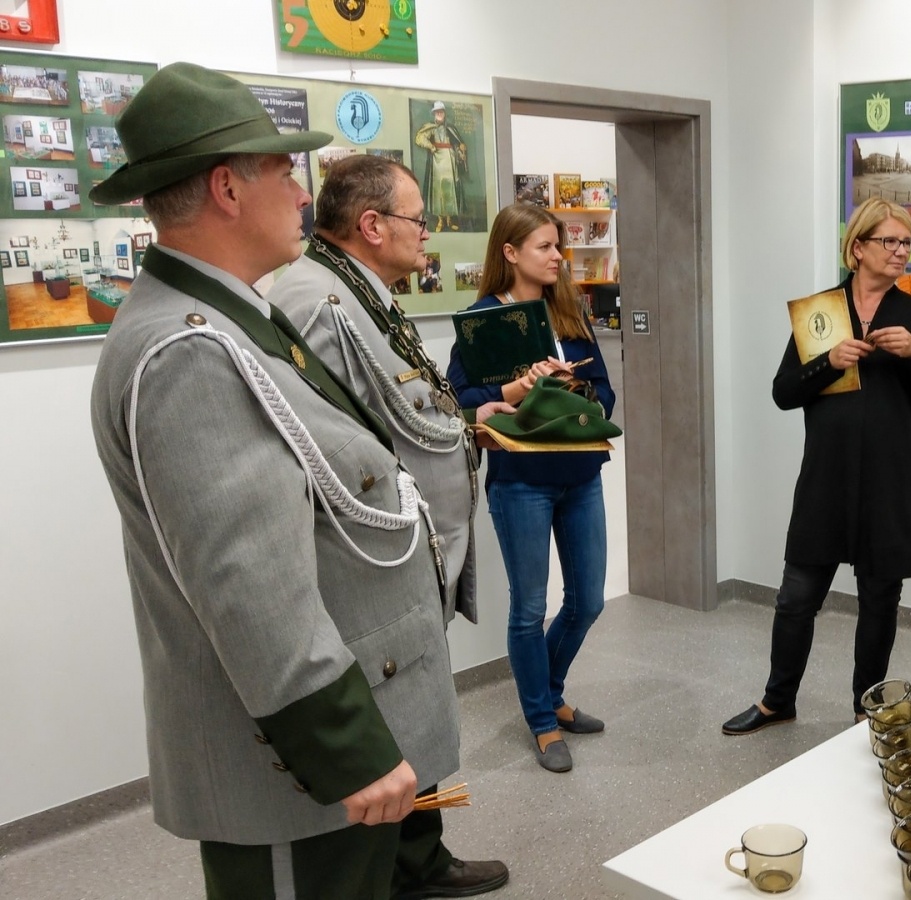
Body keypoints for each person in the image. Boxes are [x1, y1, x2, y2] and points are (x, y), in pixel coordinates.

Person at [87, 63, 461, 898]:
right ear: (226, 187)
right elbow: (247, 584)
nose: (299, 194)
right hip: (292, 776)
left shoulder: (229, 317)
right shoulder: (190, 351)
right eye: (281, 169)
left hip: (308, 766)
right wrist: (348, 750)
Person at [268, 154, 510, 899]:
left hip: (410, 549)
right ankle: (407, 865)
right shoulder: (318, 301)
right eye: (418, 219)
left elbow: (408, 409)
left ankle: (420, 856)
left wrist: (468, 423)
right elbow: (346, 451)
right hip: (378, 559)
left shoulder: (356, 290)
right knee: (395, 717)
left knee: (415, 713)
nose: (427, 234)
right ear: (372, 226)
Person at [722, 198, 911, 736]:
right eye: (890, 242)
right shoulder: (821, 311)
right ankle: (778, 699)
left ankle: (864, 708)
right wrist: (829, 362)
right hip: (826, 481)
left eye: (907, 243)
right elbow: (783, 393)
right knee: (796, 597)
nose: (901, 252)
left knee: (879, 602)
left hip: (889, 483)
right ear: (858, 248)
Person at [447, 203, 615, 774]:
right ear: (510, 252)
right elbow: (461, 400)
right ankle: (544, 720)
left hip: (581, 475)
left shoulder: (568, 310)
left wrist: (575, 390)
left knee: (588, 601)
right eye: (545, 246)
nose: (557, 257)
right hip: (521, 483)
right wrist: (517, 389)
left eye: (558, 246)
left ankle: (549, 691)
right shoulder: (481, 321)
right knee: (530, 609)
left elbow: (605, 393)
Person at [414, 100, 468, 232]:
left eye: (441, 111)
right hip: (437, 161)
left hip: (450, 160)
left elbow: (458, 144)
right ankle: (440, 220)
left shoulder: (451, 128)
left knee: (449, 189)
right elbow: (420, 138)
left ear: (444, 113)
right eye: (437, 112)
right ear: (434, 114)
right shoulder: (430, 127)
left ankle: (449, 220)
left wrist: (461, 150)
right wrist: (430, 146)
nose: (439, 113)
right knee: (438, 190)